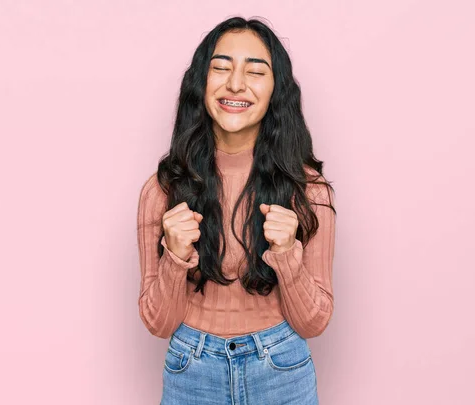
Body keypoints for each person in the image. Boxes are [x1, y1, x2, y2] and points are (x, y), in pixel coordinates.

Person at [136, 15, 336, 405]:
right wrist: (174, 256)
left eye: (255, 71)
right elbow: (159, 324)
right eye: (221, 67)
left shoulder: (308, 189)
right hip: (191, 371)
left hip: (281, 370)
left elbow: (315, 322)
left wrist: (286, 255)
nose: (235, 84)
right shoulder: (162, 190)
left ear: (276, 89)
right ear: (201, 84)